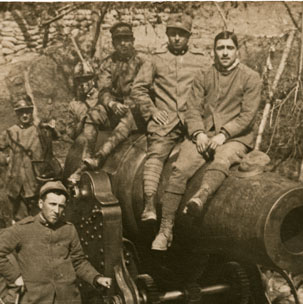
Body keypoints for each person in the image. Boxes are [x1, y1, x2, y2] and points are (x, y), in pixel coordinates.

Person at [151, 31, 262, 250]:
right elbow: (192, 109)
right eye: (220, 48)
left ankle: (201, 196)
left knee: (223, 158)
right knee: (180, 169)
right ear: (214, 51)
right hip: (204, 134)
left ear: (237, 51)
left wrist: (224, 134)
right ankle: (165, 229)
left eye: (229, 48)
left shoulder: (250, 77)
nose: (225, 53)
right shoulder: (203, 75)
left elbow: (247, 116)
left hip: (235, 137)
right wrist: (198, 133)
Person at [131, 13, 210, 223]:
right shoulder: (155, 59)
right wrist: (152, 111)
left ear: (189, 36)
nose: (176, 38)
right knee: (156, 154)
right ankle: (149, 204)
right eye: (172, 33)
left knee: (208, 151)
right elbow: (138, 89)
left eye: (181, 34)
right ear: (167, 34)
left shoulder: (201, 60)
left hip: (194, 119)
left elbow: (212, 89)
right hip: (166, 121)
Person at [81, 21, 147, 170]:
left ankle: (100, 157)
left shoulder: (143, 61)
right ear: (113, 43)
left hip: (137, 112)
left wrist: (133, 104)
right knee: (93, 114)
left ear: (133, 41)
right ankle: (86, 157)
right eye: (119, 40)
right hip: (115, 109)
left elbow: (149, 88)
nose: (123, 44)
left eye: (126, 39)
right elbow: (103, 89)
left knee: (128, 117)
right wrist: (112, 104)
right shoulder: (108, 63)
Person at [0, 96, 62, 221]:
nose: (25, 115)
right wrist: (6, 159)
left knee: (40, 219)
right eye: (21, 112)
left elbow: (55, 138)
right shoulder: (10, 132)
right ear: (17, 114)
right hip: (16, 184)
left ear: (31, 112)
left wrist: (52, 128)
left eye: (27, 111)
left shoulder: (39, 130)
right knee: (21, 221)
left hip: (36, 182)